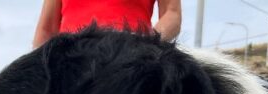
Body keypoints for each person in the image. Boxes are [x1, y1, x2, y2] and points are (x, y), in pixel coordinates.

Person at [32, 0, 181, 48]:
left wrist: (145, 43)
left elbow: (172, 14)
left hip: (130, 61)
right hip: (70, 63)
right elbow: (46, 30)